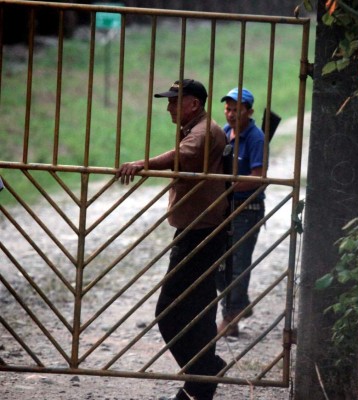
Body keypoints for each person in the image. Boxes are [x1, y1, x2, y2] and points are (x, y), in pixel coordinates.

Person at [116, 79, 228, 400]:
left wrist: (143, 164)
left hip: (201, 231)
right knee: (199, 308)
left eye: (174, 101)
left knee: (170, 311)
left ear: (193, 103)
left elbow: (182, 156)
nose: (169, 107)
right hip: (196, 227)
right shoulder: (196, 126)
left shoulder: (205, 132)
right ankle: (199, 384)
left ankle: (204, 371)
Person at [217, 87, 266, 337]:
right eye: (228, 109)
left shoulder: (256, 137)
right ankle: (238, 306)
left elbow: (258, 178)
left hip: (248, 208)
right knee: (219, 264)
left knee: (237, 264)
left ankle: (230, 317)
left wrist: (227, 185)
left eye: (237, 110)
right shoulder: (226, 133)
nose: (231, 114)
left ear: (249, 111)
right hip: (227, 206)